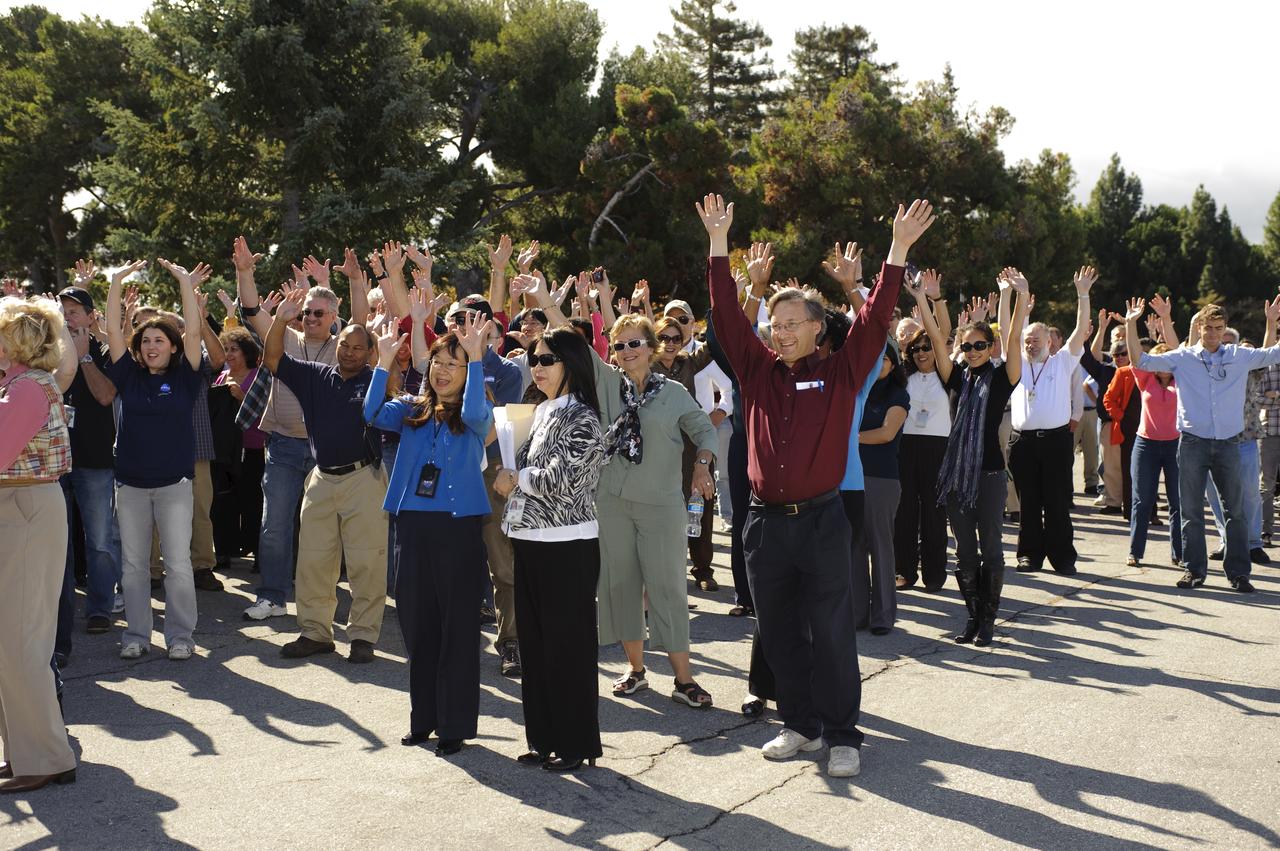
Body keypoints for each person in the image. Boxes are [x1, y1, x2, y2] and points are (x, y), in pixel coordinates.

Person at [702, 191, 935, 778]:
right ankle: (800, 725)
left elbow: (875, 320)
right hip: (765, 525)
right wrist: (718, 244)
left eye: (791, 324)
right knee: (779, 633)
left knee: (832, 634)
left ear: (815, 327)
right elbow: (726, 317)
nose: (780, 333)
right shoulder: (756, 370)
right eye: (775, 325)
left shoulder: (842, 371)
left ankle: (843, 735)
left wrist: (896, 250)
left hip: (823, 521)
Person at [519, 279, 719, 711]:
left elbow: (704, 430)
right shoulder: (607, 384)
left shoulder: (674, 393)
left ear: (651, 347)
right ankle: (636, 670)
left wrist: (703, 464)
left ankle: (684, 679)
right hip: (610, 504)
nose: (627, 351)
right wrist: (545, 298)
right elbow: (572, 340)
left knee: (668, 589)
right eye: (619, 345)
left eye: (635, 343)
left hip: (661, 505)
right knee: (621, 587)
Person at [365, 317, 494, 756]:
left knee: (457, 627)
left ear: (467, 372)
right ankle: (424, 720)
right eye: (438, 362)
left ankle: (454, 725)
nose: (442, 371)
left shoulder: (477, 412)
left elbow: (474, 414)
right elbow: (370, 413)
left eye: (453, 365)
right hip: (412, 525)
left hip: (458, 528)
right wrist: (383, 361)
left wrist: (475, 359)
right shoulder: (410, 408)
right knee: (418, 626)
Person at [233, 237, 369, 621]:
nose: (310, 318)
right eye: (306, 312)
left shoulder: (343, 348)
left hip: (327, 452)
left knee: (325, 531)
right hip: (283, 447)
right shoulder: (285, 339)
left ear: (333, 317)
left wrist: (356, 281)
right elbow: (251, 310)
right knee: (274, 525)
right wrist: (245, 272)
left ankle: (323, 599)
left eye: (318, 313)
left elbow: (361, 322)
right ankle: (272, 597)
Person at [492, 328, 605, 772]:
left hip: (568, 545)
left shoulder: (584, 416)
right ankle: (543, 739)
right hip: (530, 542)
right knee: (536, 649)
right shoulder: (540, 411)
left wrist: (515, 478)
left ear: (571, 364)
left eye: (547, 360)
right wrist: (513, 477)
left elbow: (564, 480)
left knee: (567, 650)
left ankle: (576, 744)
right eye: (533, 360)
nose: (536, 368)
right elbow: (525, 471)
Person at [262, 286, 386, 663]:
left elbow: (392, 390)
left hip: (363, 478)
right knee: (313, 561)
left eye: (358, 348)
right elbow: (273, 359)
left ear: (370, 353)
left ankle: (362, 636)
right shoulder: (316, 375)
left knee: (366, 561)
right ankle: (315, 632)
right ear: (337, 343)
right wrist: (280, 320)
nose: (349, 352)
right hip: (321, 478)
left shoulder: (376, 381)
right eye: (344, 344)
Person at [1124, 298, 1280, 592]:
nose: (1213, 334)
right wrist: (1131, 324)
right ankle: (1194, 570)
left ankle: (1238, 573)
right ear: (1199, 328)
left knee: (1236, 511)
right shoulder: (1183, 357)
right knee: (1191, 510)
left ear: (1225, 329)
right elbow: (1140, 361)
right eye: (1208, 328)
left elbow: (1273, 353)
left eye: (1218, 328)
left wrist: (1272, 322)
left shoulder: (1239, 356)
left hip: (1229, 443)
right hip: (1193, 443)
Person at [912, 267, 1027, 645]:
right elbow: (934, 336)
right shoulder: (956, 377)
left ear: (990, 348)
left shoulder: (1004, 377)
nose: (974, 351)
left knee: (991, 549)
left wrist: (1019, 296)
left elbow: (1013, 338)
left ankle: (989, 621)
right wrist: (924, 299)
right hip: (956, 476)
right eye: (967, 347)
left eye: (980, 345)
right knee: (964, 553)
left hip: (990, 475)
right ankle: (973, 618)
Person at [106, 259, 207, 661]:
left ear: (173, 346)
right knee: (133, 566)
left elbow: (194, 330)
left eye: (159, 340)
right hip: (130, 485)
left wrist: (184, 284)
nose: (151, 346)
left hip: (174, 485)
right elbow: (113, 329)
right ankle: (136, 635)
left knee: (177, 564)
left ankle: (181, 636)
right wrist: (115, 283)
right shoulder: (128, 375)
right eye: (145, 340)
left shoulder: (186, 376)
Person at [0, 295, 78, 793]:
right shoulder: (24, 384)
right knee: (13, 640)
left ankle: (44, 756)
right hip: (23, 507)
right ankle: (27, 753)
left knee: (22, 641)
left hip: (25, 509)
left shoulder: (27, 387)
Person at [1009, 267, 1096, 575]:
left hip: (1056, 441)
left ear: (1050, 342)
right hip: (1023, 442)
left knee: (1057, 502)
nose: (1030, 344)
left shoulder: (1063, 361)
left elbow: (1080, 328)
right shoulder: (1018, 363)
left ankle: (1062, 557)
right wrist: (1017, 297)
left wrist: (1083, 294)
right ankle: (1029, 555)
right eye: (1027, 341)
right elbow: (1011, 331)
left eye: (1036, 340)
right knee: (1029, 502)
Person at [55, 279, 123, 640]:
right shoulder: (48, 351)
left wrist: (83, 357)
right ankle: (61, 615)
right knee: (59, 544)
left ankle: (99, 609)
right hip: (55, 462)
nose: (67, 318)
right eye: (62, 312)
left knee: (99, 541)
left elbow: (106, 395)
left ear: (90, 316)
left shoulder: (105, 350)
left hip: (95, 460)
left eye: (74, 312)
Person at [650, 314, 728, 592]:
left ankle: (703, 569)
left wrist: (718, 309)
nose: (670, 343)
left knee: (700, 508)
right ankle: (665, 576)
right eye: (664, 338)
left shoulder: (689, 363)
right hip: (658, 449)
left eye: (676, 339)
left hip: (693, 447)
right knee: (664, 514)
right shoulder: (645, 366)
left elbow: (715, 345)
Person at [894, 288, 953, 591]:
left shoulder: (947, 374)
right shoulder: (904, 376)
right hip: (906, 448)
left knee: (933, 514)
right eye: (916, 349)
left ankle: (934, 575)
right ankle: (904, 571)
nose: (921, 353)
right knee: (904, 512)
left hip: (937, 449)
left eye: (927, 348)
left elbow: (943, 333)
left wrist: (931, 300)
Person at [853, 345, 910, 634]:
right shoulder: (855, 391)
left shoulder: (898, 395)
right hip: (850, 478)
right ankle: (857, 615)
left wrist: (848, 437)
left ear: (894, 364)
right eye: (874, 358)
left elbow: (887, 433)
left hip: (881, 480)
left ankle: (883, 616)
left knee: (880, 547)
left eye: (884, 359)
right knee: (854, 548)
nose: (878, 363)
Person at [210, 327, 266, 571]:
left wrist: (242, 396)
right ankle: (224, 552)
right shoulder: (220, 376)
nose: (229, 354)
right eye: (225, 349)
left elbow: (266, 412)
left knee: (253, 502)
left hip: (253, 448)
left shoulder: (258, 376)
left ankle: (258, 553)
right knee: (224, 502)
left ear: (247, 352)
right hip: (224, 451)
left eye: (234, 349)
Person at [1125, 341, 1180, 567]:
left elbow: (1182, 352)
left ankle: (1179, 553)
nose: (1163, 365)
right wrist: (1131, 325)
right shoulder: (1145, 378)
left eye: (1167, 360)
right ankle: (1135, 552)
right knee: (1142, 500)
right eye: (1158, 360)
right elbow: (1134, 355)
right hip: (1146, 445)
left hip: (1176, 445)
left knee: (1178, 500)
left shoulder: (1182, 379)